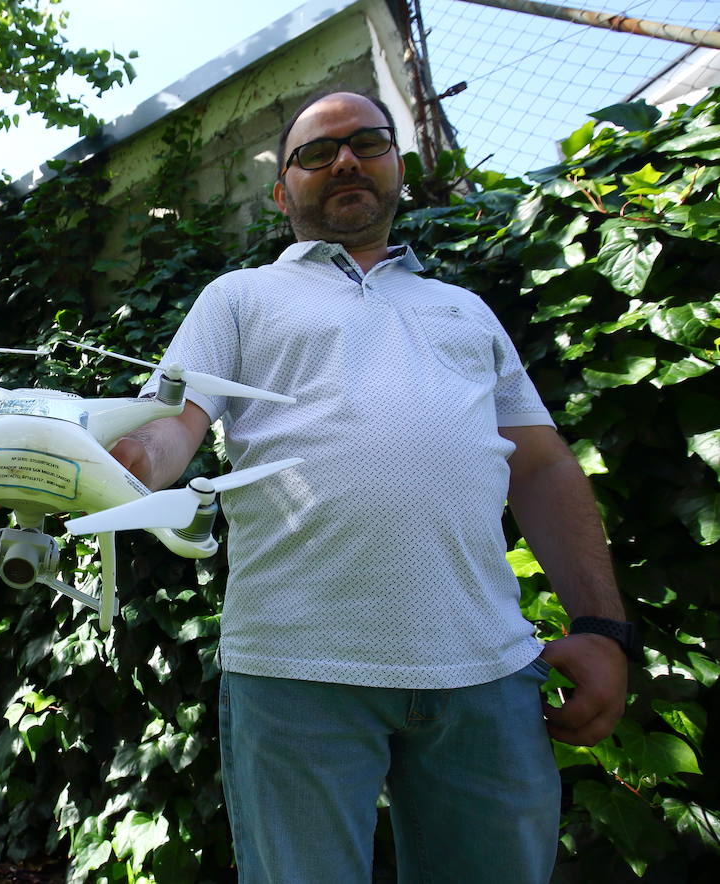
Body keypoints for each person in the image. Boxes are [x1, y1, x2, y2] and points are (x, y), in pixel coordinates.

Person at [111, 90, 634, 883]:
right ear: (282, 191)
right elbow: (170, 425)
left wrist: (603, 626)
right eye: (317, 152)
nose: (346, 160)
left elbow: (543, 465)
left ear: (398, 165)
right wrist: (121, 461)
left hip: (487, 672)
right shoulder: (240, 298)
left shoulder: (464, 309)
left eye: (367, 142)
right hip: (295, 672)